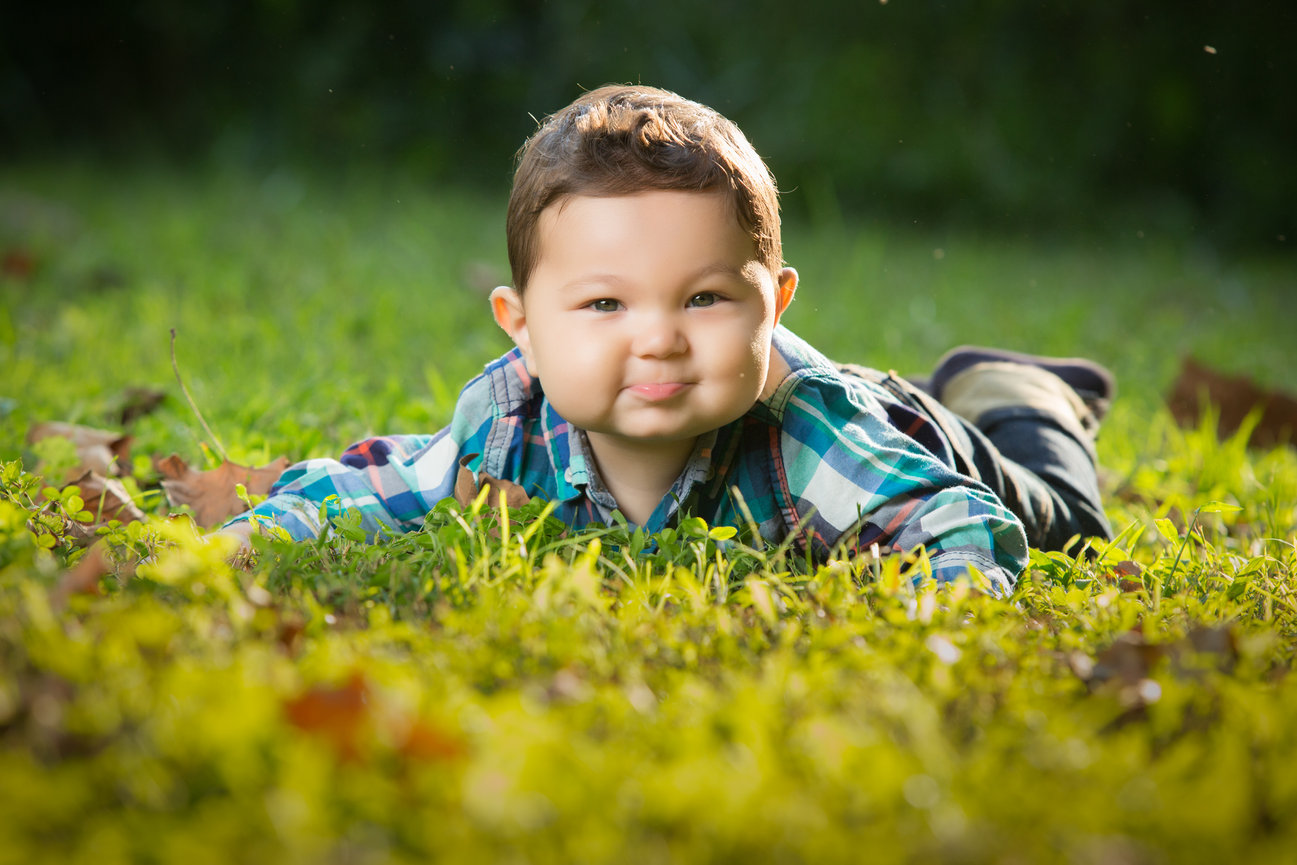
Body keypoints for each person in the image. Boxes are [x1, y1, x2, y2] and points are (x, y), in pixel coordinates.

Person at [218, 84, 1113, 595]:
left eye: (703, 298)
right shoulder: (504, 424)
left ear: (775, 305)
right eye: (605, 304)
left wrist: (926, 608)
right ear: (523, 330)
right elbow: (376, 488)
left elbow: (959, 524)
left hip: (908, 435)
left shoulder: (809, 438)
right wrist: (252, 539)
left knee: (1067, 526)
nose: (658, 340)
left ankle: (1019, 394)